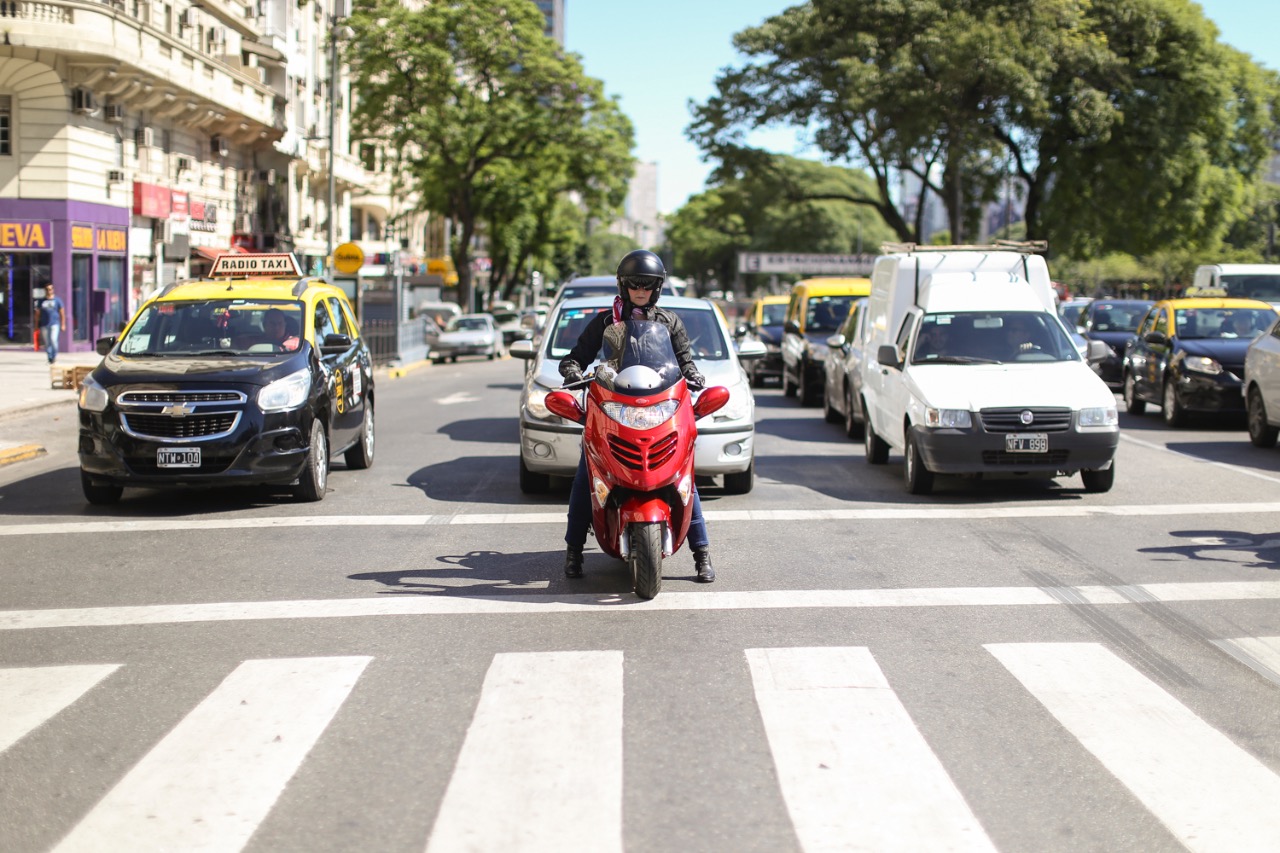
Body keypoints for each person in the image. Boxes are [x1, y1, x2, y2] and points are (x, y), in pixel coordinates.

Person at [558, 249, 715, 583]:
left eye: (648, 285)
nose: (641, 290)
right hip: (614, 408)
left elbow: (685, 361)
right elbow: (576, 357)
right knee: (587, 476)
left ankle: (701, 553)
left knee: (682, 478)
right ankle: (573, 552)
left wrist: (694, 375)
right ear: (623, 285)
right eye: (634, 284)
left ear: (657, 288)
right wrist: (572, 371)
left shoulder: (670, 322)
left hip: (658, 409)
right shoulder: (605, 322)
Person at [34, 283, 66, 365]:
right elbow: (37, 314)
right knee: (47, 343)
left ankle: (54, 356)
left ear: (53, 290)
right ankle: (50, 358)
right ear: (45, 290)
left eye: (50, 289)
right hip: (44, 325)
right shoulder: (41, 301)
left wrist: (63, 324)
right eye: (47, 289)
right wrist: (36, 325)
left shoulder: (57, 300)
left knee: (53, 340)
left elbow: (62, 313)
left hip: (54, 324)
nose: (49, 291)